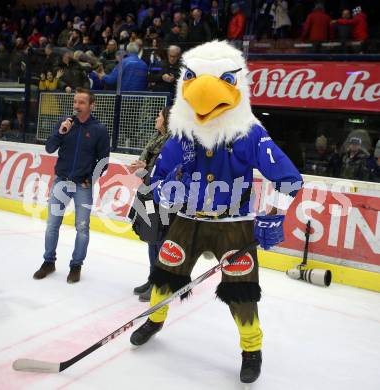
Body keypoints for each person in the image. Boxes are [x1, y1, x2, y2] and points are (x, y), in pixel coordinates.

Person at [129, 40, 303, 384]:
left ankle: (252, 349)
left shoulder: (250, 133)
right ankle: (155, 319)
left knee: (242, 292)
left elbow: (289, 178)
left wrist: (276, 213)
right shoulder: (182, 134)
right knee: (164, 276)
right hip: (189, 220)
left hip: (233, 226)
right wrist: (161, 192)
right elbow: (158, 175)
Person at [33, 88, 110, 283]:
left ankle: (76, 265)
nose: (77, 106)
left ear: (91, 106)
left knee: (82, 227)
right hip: (61, 182)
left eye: (82, 102)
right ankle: (48, 262)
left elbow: (103, 160)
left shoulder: (99, 129)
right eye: (75, 102)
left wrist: (91, 179)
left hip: (82, 186)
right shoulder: (64, 123)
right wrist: (60, 133)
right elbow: (49, 148)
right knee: (52, 225)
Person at [128, 106, 172, 301]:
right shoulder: (155, 139)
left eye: (159, 115)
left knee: (160, 239)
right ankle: (152, 278)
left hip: (163, 198)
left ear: (167, 119)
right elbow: (148, 168)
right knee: (151, 236)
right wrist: (141, 167)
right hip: (148, 193)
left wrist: (146, 168)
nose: (156, 118)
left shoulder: (172, 143)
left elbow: (165, 171)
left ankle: (160, 283)